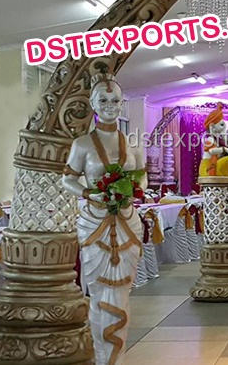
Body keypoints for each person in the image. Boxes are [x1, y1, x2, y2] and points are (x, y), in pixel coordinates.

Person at [61, 73, 144, 365]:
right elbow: (68, 179)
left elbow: (142, 178)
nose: (110, 106)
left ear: (122, 104)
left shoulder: (133, 145)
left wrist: (131, 190)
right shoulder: (82, 144)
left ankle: (117, 359)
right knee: (99, 293)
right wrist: (90, 193)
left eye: (115, 100)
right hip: (94, 223)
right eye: (104, 100)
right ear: (93, 104)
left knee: (122, 293)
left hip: (127, 222)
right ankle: (102, 359)